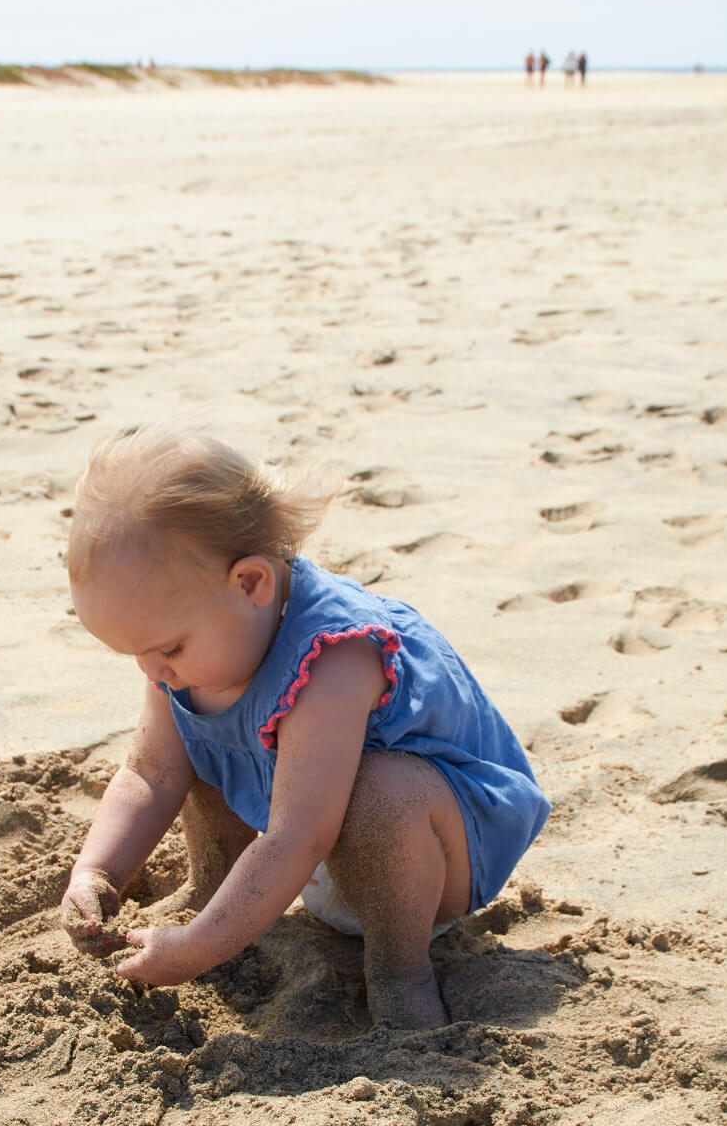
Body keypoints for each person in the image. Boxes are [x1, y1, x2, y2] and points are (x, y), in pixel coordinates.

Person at [60, 425, 551, 1030]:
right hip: (306, 831)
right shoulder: (198, 640)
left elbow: (298, 838)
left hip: (437, 856)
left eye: (165, 647)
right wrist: (97, 870)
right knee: (197, 722)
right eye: (133, 653)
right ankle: (211, 890)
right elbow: (150, 772)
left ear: (251, 583)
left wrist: (196, 951)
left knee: (381, 791)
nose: (151, 670)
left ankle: (400, 970)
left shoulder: (336, 657)